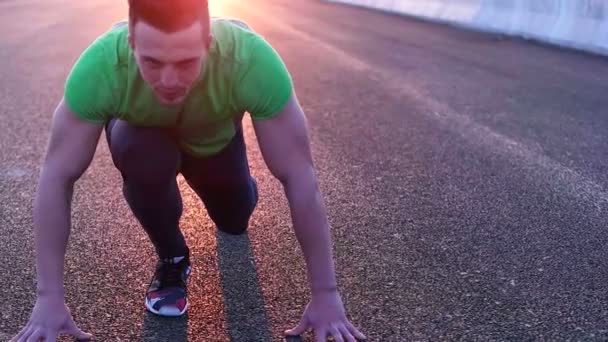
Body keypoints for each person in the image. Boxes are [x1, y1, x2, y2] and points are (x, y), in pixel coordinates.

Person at [10, 0, 366, 341]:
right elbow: (57, 174)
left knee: (234, 218)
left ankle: (236, 183)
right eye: (150, 61)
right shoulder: (102, 65)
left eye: (184, 62)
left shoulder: (250, 60)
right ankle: (172, 257)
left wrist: (326, 293)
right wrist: (48, 298)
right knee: (142, 152)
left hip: (214, 145)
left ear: (208, 44)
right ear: (131, 42)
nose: (167, 79)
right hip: (144, 141)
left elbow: (299, 175)